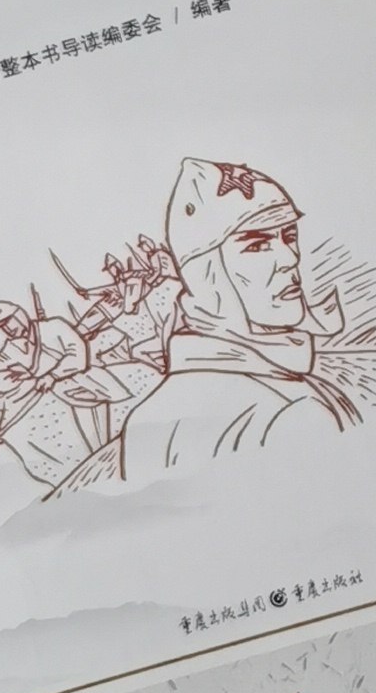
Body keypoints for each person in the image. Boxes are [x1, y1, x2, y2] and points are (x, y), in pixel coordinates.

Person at [112, 158, 359, 483]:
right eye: (258, 244)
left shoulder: (147, 417)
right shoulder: (291, 410)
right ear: (207, 273)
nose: (290, 258)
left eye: (289, 236)